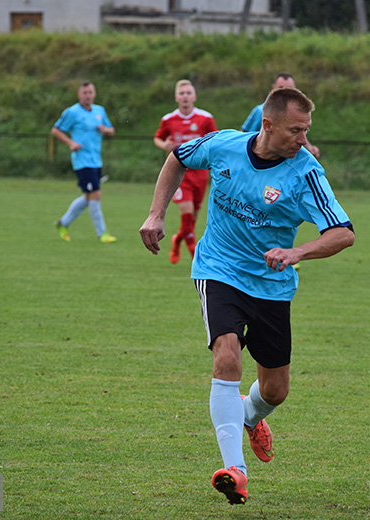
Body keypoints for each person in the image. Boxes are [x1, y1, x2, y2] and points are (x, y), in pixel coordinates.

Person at [140, 87, 354, 505]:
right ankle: (235, 471)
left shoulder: (306, 172)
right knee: (227, 355)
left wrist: (297, 252)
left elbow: (343, 233)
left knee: (275, 390)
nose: (303, 140)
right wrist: (155, 214)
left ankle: (249, 415)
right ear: (267, 125)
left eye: (306, 130)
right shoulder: (224, 145)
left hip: (271, 285)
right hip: (218, 269)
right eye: (295, 131)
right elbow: (177, 157)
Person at [153, 79, 218, 264]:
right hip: (178, 174)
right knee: (187, 217)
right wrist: (164, 145)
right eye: (182, 93)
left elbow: (215, 140)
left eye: (188, 93)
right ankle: (197, 259)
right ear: (176, 97)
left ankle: (177, 240)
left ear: (194, 96)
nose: (185, 97)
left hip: (200, 174)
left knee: (191, 222)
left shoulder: (205, 118)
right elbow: (158, 138)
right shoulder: (168, 119)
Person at [51, 81, 117, 243]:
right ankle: (102, 234)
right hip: (82, 160)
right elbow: (56, 130)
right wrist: (71, 143)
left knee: (88, 197)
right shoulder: (72, 112)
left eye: (90, 92)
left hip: (96, 160)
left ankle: (63, 223)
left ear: (94, 94)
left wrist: (105, 130)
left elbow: (111, 130)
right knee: (96, 194)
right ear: (79, 95)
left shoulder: (99, 111)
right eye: (84, 93)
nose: (88, 95)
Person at [241, 73, 320, 158]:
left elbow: (298, 135)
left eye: (290, 88)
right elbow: (243, 135)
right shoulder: (260, 111)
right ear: (273, 87)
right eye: (281, 88)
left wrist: (310, 148)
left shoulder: (299, 113)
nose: (285, 91)